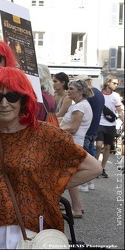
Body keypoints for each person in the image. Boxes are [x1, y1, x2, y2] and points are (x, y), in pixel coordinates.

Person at [0, 67, 102, 249]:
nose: (4, 103)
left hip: (20, 231)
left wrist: (46, 187)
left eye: (12, 96)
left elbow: (93, 168)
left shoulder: (45, 133)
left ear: (23, 99)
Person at [60, 79, 94, 219]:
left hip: (72, 144)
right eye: (68, 88)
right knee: (69, 175)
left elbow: (73, 128)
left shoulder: (79, 107)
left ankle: (76, 208)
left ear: (80, 91)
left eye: (71, 89)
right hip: (74, 143)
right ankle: (77, 206)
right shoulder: (81, 105)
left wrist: (55, 130)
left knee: (68, 176)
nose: (68, 91)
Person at [75, 74, 105, 190]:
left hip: (86, 128)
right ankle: (90, 183)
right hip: (94, 128)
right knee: (90, 155)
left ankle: (84, 184)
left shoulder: (89, 94)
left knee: (84, 157)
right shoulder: (99, 94)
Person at [95, 75, 124, 178]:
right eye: (114, 83)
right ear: (108, 83)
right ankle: (95, 168)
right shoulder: (98, 94)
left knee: (107, 147)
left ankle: (101, 168)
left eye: (117, 83)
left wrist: (123, 121)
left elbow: (119, 112)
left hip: (111, 124)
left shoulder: (115, 96)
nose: (116, 85)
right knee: (98, 145)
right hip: (100, 123)